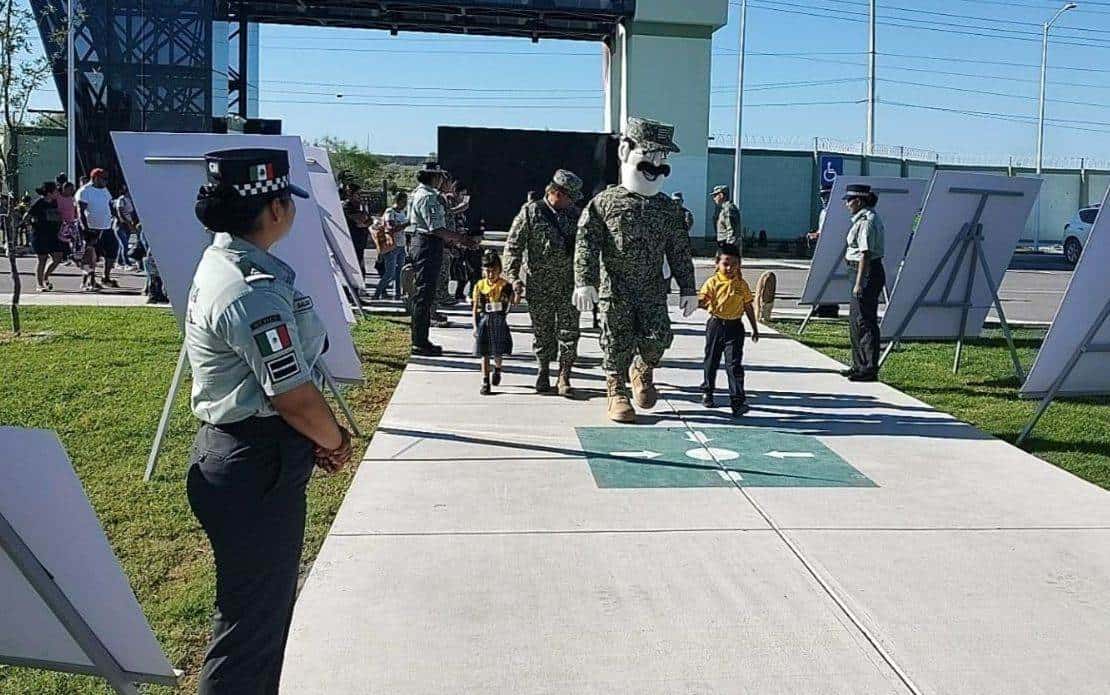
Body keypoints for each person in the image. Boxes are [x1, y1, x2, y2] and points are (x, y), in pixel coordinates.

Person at [184, 148, 354, 695]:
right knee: (250, 627)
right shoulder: (248, 291)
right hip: (256, 463)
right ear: (276, 208)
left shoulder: (229, 265)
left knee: (256, 616)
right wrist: (334, 442)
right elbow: (294, 397)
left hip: (246, 456)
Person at [574, 117, 698, 424]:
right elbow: (586, 241)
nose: (656, 166)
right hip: (615, 288)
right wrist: (584, 280)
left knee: (659, 336)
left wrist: (688, 288)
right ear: (626, 151)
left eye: (663, 159)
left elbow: (679, 250)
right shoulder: (604, 203)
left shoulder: (668, 209)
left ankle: (642, 370)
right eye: (650, 155)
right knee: (616, 340)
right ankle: (616, 390)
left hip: (652, 287)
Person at [504, 169, 584, 397]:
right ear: (557, 192)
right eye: (570, 197)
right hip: (540, 284)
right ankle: (543, 370)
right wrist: (513, 277)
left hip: (569, 285)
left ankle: (564, 375)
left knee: (569, 332)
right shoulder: (531, 213)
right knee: (542, 331)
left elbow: (588, 250)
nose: (572, 202)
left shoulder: (577, 216)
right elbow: (513, 246)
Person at [407, 161, 476, 356]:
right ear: (434, 178)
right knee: (424, 294)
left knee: (425, 294)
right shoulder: (429, 197)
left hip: (424, 242)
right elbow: (436, 228)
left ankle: (420, 339)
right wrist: (462, 239)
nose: (443, 180)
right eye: (441, 177)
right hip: (427, 244)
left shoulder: (419, 194)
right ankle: (419, 342)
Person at [698, 243, 760, 417]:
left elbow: (748, 306)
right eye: (725, 263)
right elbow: (703, 300)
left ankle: (737, 401)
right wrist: (700, 302)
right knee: (711, 360)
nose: (729, 268)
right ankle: (707, 391)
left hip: (735, 327)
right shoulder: (713, 282)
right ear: (717, 263)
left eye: (734, 264)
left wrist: (754, 328)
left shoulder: (742, 285)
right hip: (716, 325)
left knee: (734, 365)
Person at [842, 183, 885, 382]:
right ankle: (858, 364)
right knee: (855, 320)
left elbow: (865, 255)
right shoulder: (861, 218)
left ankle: (868, 368)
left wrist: (859, 283)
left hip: (866, 273)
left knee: (864, 322)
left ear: (858, 201)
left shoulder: (867, 221)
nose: (847, 204)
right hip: (859, 271)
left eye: (849, 200)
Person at [472, 250, 515, 395]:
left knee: (497, 352)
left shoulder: (505, 286)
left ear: (499, 270)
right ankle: (485, 381)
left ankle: (497, 369)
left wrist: (518, 292)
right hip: (484, 321)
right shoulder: (480, 285)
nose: (490, 274)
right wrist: (475, 326)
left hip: (499, 321)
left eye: (494, 271)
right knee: (484, 353)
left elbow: (514, 301)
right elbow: (475, 308)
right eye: (487, 271)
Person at [77, 168, 114, 289]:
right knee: (91, 256)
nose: (106, 181)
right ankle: (89, 281)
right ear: (95, 178)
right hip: (92, 228)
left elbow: (109, 204)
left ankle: (106, 277)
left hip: (107, 227)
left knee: (111, 252)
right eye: (104, 179)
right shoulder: (85, 191)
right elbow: (80, 211)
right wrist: (85, 228)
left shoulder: (104, 190)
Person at [24, 181, 64, 291]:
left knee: (58, 257)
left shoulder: (55, 202)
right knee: (42, 259)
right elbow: (26, 216)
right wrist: (31, 226)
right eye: (55, 190)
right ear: (49, 193)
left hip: (53, 234)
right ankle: (39, 284)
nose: (57, 192)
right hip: (40, 234)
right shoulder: (39, 203)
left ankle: (46, 277)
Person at [374, 191, 407, 300]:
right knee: (390, 273)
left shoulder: (402, 213)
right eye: (403, 201)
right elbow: (391, 228)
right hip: (391, 245)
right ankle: (377, 293)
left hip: (401, 245)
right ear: (397, 200)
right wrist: (406, 224)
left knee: (400, 273)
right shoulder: (390, 212)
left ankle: (398, 295)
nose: (405, 204)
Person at [342, 182, 371, 280]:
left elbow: (369, 221)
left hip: (360, 242)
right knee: (355, 267)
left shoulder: (358, 207)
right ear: (351, 194)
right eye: (358, 194)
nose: (360, 197)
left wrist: (365, 221)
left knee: (361, 264)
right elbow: (361, 221)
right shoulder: (347, 206)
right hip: (352, 241)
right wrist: (364, 211)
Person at [112, 184, 139, 271]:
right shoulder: (121, 199)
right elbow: (120, 213)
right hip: (121, 225)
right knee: (124, 245)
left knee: (123, 245)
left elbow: (131, 213)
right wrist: (127, 223)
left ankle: (118, 262)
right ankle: (127, 263)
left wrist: (133, 223)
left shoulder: (130, 200)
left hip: (128, 224)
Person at [711, 184, 742, 253]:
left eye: (715, 195)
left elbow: (731, 229)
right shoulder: (723, 209)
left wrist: (729, 247)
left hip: (727, 243)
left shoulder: (728, 209)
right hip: (723, 243)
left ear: (721, 195)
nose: (714, 198)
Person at [57, 181, 81, 264]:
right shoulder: (58, 198)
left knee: (71, 240)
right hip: (61, 223)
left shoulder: (72, 198)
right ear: (64, 189)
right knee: (62, 240)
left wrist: (76, 217)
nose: (71, 191)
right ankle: (64, 256)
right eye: (70, 189)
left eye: (72, 189)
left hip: (71, 223)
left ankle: (71, 256)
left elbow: (75, 209)